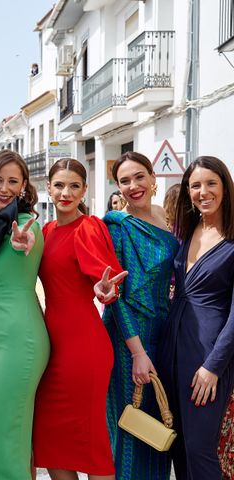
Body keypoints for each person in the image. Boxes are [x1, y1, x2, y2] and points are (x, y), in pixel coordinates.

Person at [33, 158, 127, 480]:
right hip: (50, 348)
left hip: (83, 347)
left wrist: (103, 290)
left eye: (74, 186)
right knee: (51, 441)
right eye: (59, 185)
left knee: (90, 442)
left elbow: (106, 281)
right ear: (48, 188)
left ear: (85, 190)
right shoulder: (44, 231)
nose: (66, 192)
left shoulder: (88, 227)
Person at [0, 149, 48, 480]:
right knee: (13, 436)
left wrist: (22, 241)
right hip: (1, 340)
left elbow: (25, 243)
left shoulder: (23, 224)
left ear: (24, 186)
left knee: (0, 432)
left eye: (13, 181)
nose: (4, 188)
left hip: (22, 340)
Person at [158, 156, 234, 480]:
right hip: (171, 351)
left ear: (225, 187)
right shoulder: (190, 229)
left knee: (202, 451)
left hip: (207, 357)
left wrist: (213, 366)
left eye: (211, 183)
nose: (203, 191)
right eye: (196, 185)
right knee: (178, 445)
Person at [103, 152, 178, 480]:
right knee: (131, 422)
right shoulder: (117, 226)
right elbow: (115, 297)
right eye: (124, 181)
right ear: (117, 187)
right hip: (128, 335)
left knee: (160, 422)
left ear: (153, 178)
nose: (133, 186)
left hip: (164, 331)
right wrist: (137, 352)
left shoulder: (166, 218)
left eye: (139, 177)